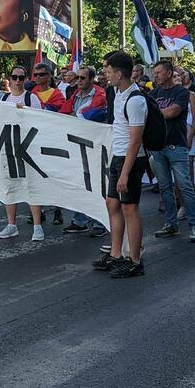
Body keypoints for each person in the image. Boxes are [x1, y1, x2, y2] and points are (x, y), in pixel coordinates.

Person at [92, 51, 149, 279]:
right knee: (112, 204)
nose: (105, 74)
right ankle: (116, 254)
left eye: (108, 71)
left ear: (119, 73)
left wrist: (125, 172)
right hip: (118, 156)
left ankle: (135, 260)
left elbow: (136, 140)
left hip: (131, 159)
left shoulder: (136, 100)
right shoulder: (117, 93)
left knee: (130, 208)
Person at [147, 59, 195, 242]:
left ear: (169, 73)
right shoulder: (153, 93)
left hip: (176, 145)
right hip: (158, 147)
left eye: (159, 73)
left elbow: (173, 112)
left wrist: (154, 113)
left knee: (185, 186)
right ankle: (171, 224)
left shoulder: (182, 92)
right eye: (155, 73)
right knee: (165, 188)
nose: (156, 76)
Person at [0, 65, 47, 242]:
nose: (17, 81)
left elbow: (42, 120)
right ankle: (11, 225)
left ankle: (37, 226)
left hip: (28, 148)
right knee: (9, 186)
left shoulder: (32, 98)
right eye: (14, 77)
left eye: (21, 78)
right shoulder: (4, 98)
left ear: (25, 80)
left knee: (31, 186)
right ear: (9, 79)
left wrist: (24, 112)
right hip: (8, 147)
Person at [59, 65, 109, 234]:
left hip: (94, 145)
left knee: (96, 184)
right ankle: (80, 220)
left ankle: (99, 223)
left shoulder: (100, 94)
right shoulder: (76, 94)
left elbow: (87, 116)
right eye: (77, 77)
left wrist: (74, 115)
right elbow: (64, 113)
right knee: (79, 183)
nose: (78, 81)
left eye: (82, 78)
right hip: (77, 143)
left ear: (91, 80)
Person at [30, 62, 67, 225]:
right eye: (35, 75)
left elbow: (62, 115)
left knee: (54, 176)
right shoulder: (30, 93)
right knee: (37, 177)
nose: (38, 77)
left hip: (52, 140)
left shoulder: (58, 95)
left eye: (42, 74)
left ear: (49, 76)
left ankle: (58, 211)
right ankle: (39, 211)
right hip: (35, 140)